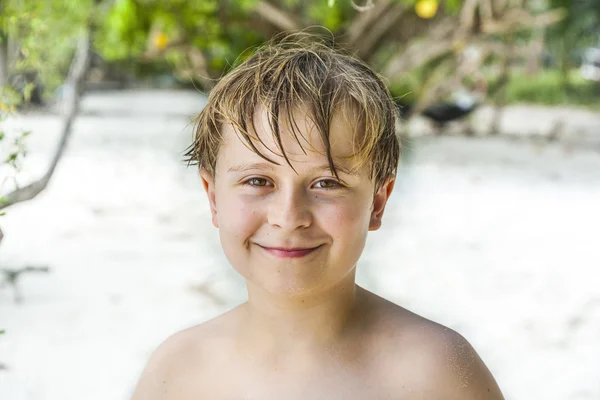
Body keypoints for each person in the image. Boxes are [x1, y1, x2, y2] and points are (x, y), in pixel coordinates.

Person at [130, 33, 505, 400]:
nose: (288, 216)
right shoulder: (177, 374)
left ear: (378, 202)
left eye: (326, 183)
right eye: (258, 181)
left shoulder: (438, 376)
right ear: (213, 198)